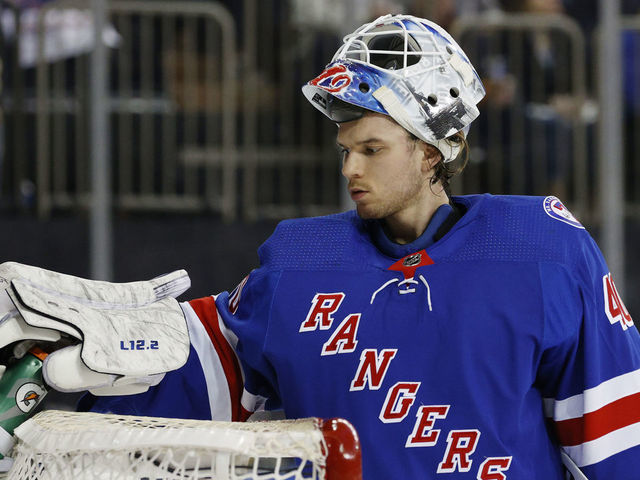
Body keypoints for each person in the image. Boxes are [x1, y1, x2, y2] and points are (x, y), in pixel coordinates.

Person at [1, 14, 639, 480]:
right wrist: (53, 375)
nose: (350, 171)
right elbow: (183, 377)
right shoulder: (299, 265)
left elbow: (617, 449)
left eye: (371, 149)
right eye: (345, 150)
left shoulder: (544, 251)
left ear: (433, 148)